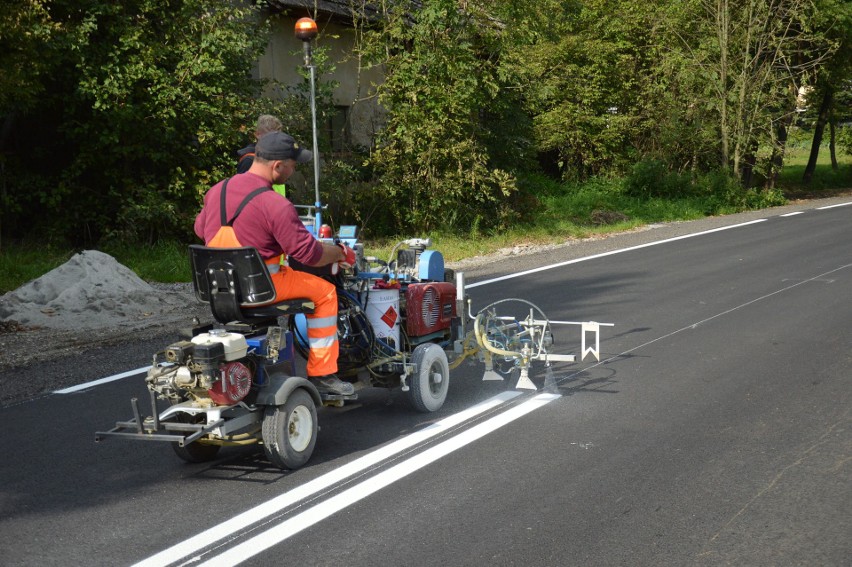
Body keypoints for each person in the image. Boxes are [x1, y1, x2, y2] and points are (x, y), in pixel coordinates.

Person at [195, 131, 355, 396]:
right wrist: (339, 253)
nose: (293, 171)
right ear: (277, 166)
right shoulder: (275, 204)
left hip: (219, 291)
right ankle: (323, 375)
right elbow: (309, 254)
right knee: (326, 294)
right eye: (293, 166)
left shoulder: (216, 192)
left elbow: (200, 228)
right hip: (263, 288)